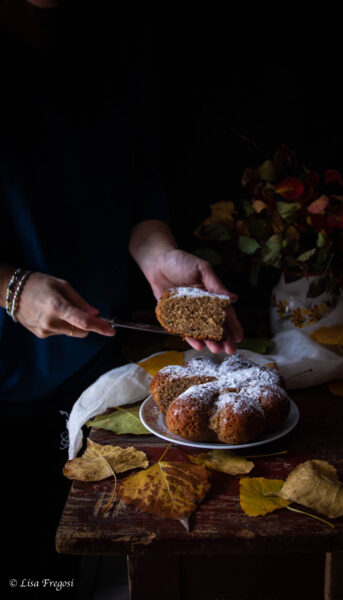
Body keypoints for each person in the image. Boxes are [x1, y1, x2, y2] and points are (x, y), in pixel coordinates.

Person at [0, 1, 242, 596]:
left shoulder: (115, 24)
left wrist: (158, 252)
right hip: (2, 375)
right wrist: (8, 285)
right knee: (26, 579)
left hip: (95, 366)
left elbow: (136, 175)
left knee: (83, 567)